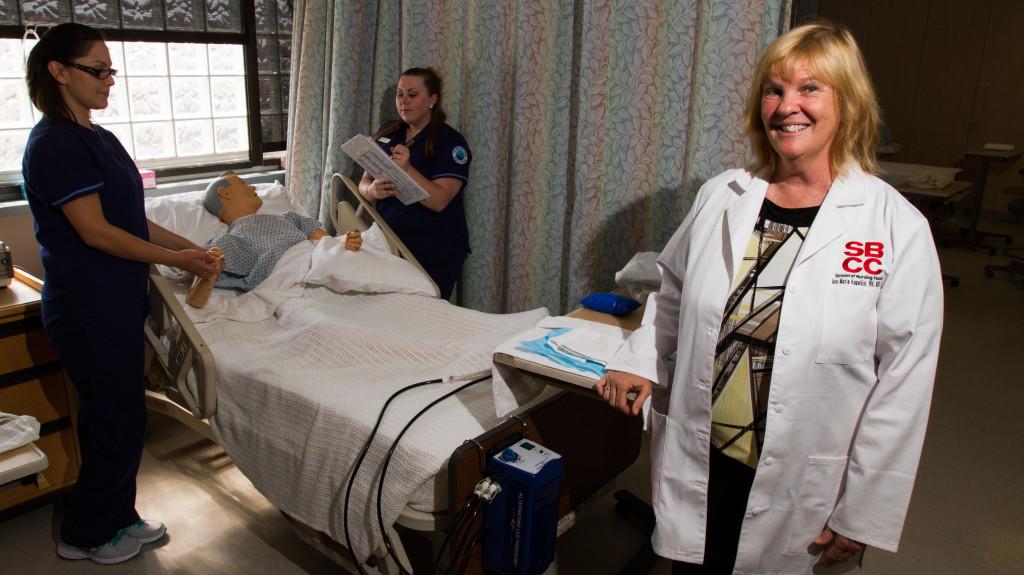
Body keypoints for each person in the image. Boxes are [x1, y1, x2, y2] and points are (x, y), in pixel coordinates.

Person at [597, 21, 943, 574]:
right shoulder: (723, 195)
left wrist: (863, 511)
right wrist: (641, 361)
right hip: (706, 457)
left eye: (810, 88)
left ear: (847, 102)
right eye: (774, 89)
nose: (788, 106)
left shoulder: (895, 227)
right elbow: (673, 290)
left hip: (805, 476)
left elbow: (905, 381)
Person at [21, 23, 220, 564]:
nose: (111, 80)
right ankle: (85, 533)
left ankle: (119, 515)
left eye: (112, 69)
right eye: (98, 69)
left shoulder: (100, 137)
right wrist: (176, 261)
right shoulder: (53, 144)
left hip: (115, 302)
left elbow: (132, 220)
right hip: (87, 307)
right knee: (112, 421)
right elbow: (96, 232)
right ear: (58, 72)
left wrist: (191, 248)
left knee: (124, 417)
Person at [358, 67, 472, 299]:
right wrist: (371, 191)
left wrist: (408, 170)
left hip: (432, 249)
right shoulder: (389, 132)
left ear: (432, 100)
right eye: (400, 94)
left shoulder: (450, 143)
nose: (403, 102)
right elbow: (363, 185)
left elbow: (440, 200)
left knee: (423, 317)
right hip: (387, 243)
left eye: (412, 94)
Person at [199, 171, 335, 294]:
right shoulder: (227, 242)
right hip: (286, 276)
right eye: (243, 184)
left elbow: (331, 245)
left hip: (319, 261)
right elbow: (204, 271)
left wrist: (347, 244)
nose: (253, 187)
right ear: (225, 193)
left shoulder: (290, 217)